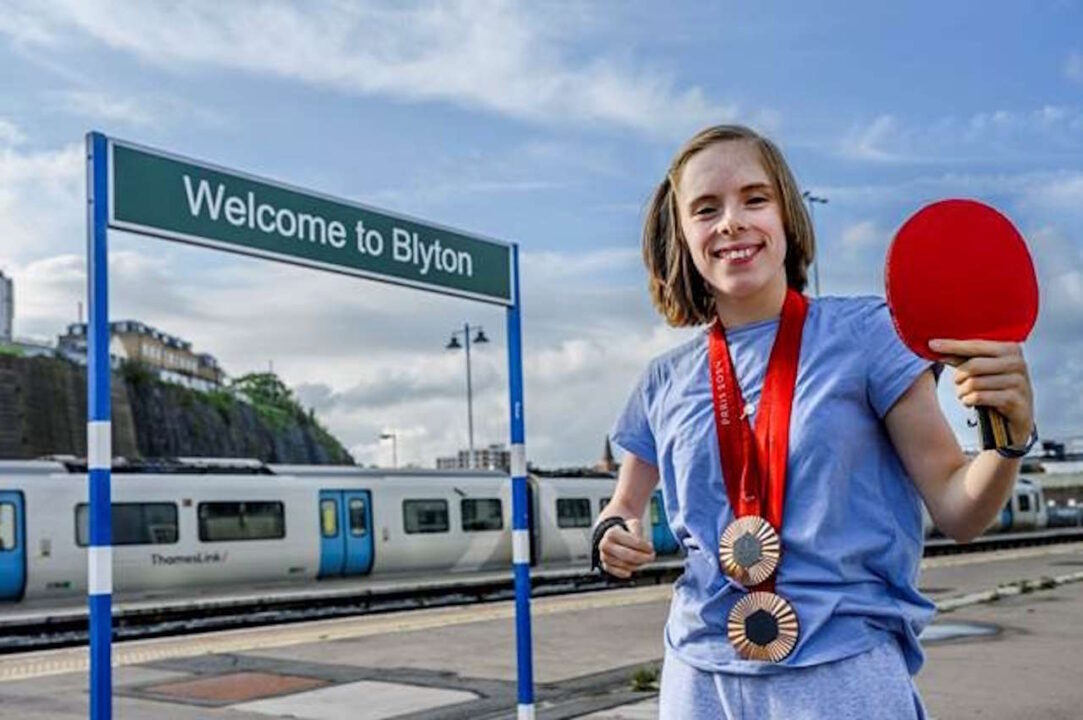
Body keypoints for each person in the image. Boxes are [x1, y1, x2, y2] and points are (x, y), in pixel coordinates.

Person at [596, 124, 1036, 719]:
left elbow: (959, 511)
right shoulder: (662, 380)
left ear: (788, 217)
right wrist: (613, 535)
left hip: (843, 674)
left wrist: (1006, 441)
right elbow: (623, 504)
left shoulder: (871, 336)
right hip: (699, 680)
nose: (731, 221)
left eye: (755, 199)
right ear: (682, 235)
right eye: (706, 208)